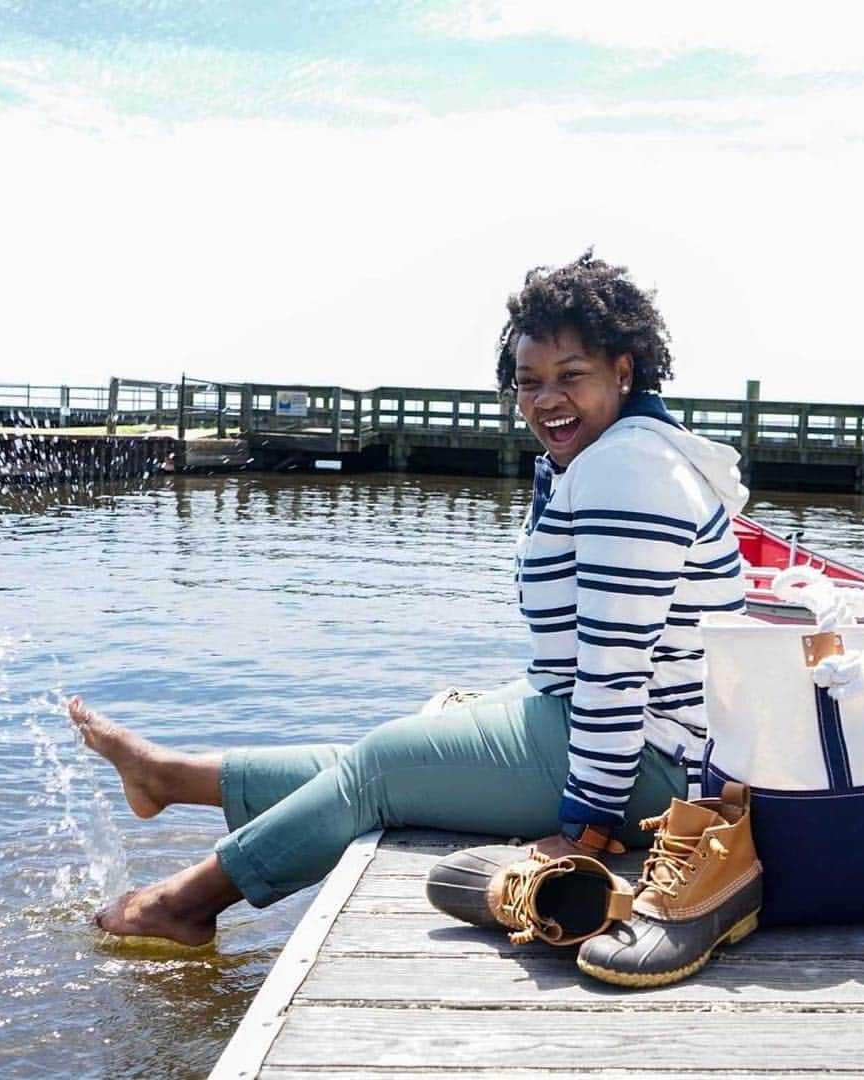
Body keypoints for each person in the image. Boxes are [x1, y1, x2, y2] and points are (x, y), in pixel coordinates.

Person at [70, 251, 748, 947]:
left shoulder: (626, 469)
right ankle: (168, 778)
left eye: (571, 377)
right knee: (381, 756)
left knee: (383, 769)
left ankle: (185, 904)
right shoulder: (617, 455)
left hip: (648, 762)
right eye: (529, 383)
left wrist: (589, 829)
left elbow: (616, 668)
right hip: (619, 733)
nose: (547, 400)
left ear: (624, 371)